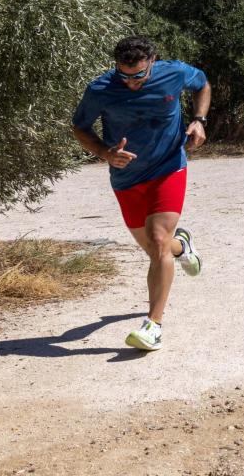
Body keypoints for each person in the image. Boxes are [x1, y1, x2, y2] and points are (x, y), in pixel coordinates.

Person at [71, 36, 211, 351]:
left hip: (168, 166)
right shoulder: (101, 89)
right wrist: (105, 153)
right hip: (126, 178)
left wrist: (199, 121)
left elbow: (202, 83)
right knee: (155, 248)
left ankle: (153, 326)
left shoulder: (173, 73)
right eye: (125, 76)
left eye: (139, 76)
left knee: (157, 240)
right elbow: (80, 127)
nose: (132, 83)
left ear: (152, 61)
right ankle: (182, 247)